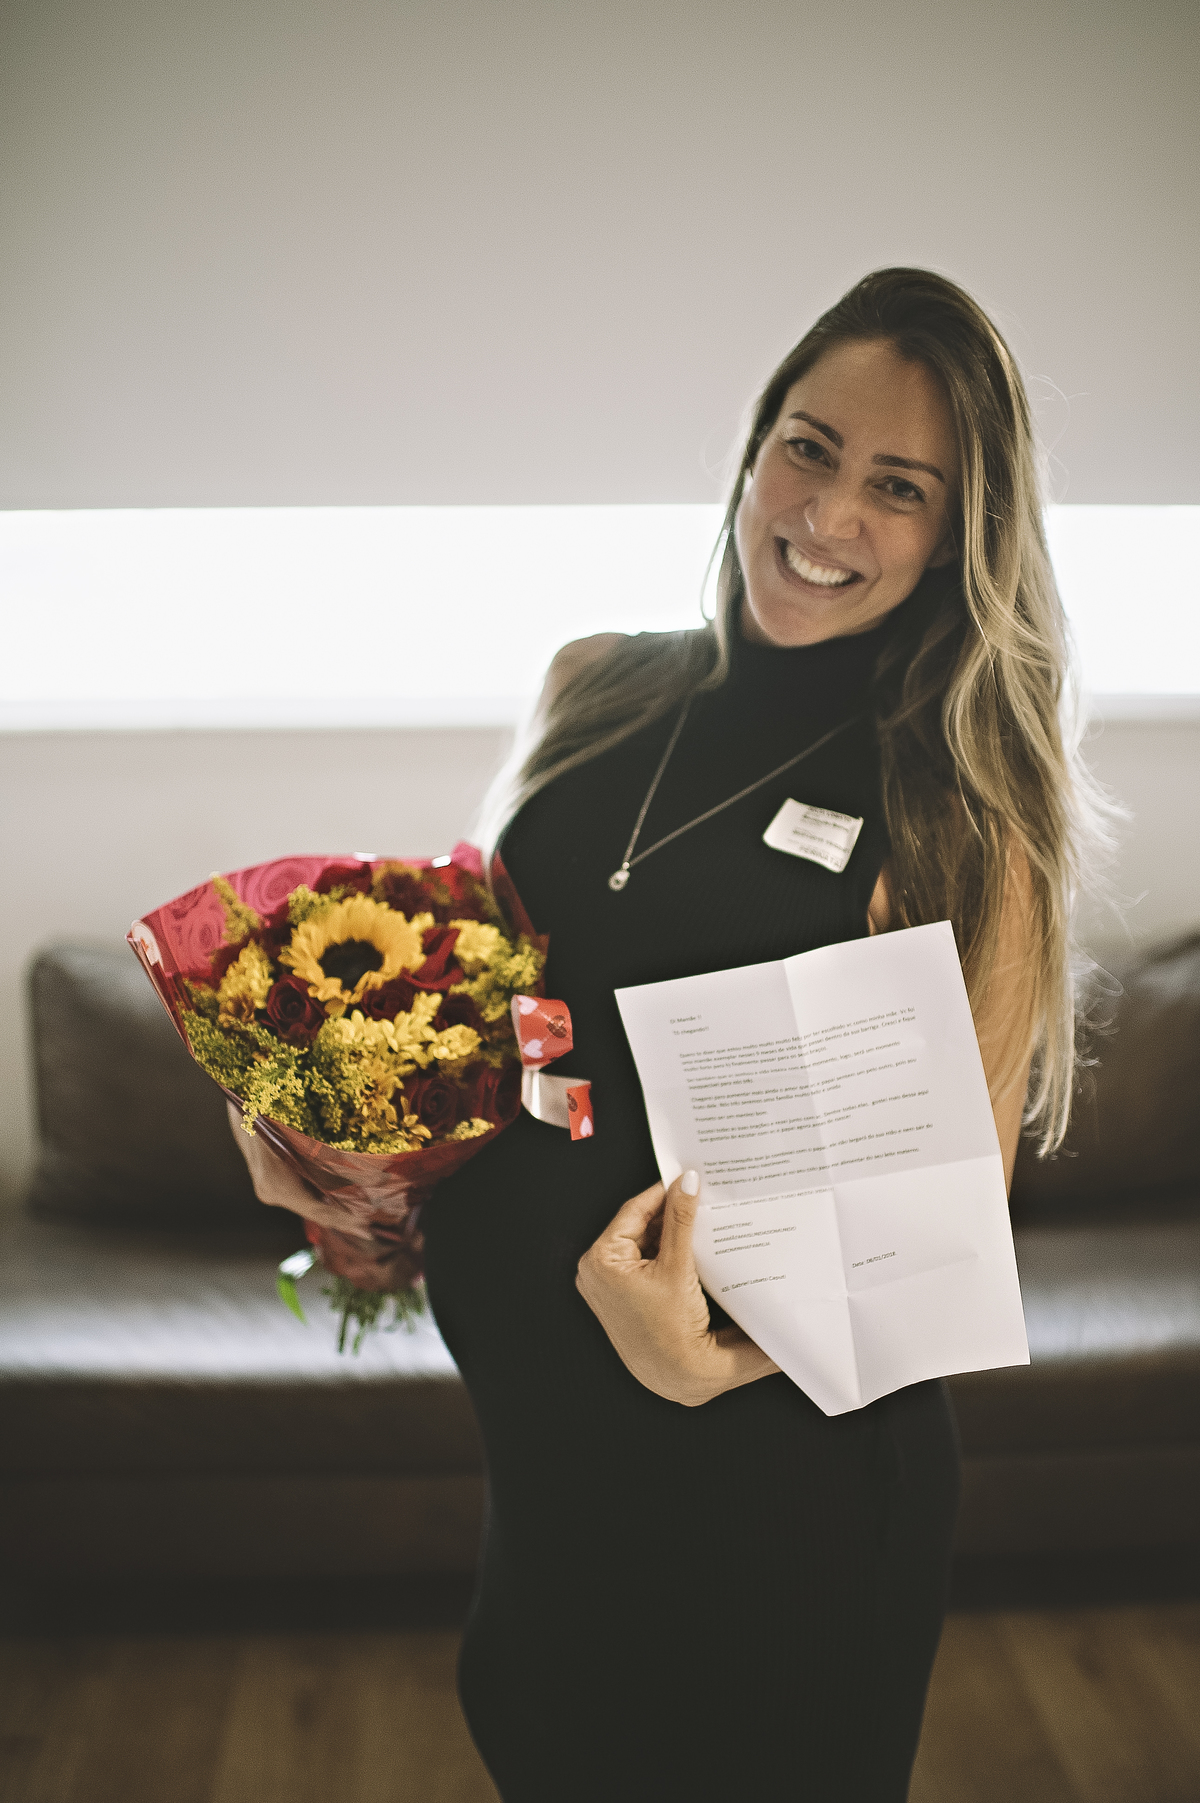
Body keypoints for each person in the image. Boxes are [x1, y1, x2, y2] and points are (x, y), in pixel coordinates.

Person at [236, 268, 1096, 1800]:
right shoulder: (598, 685)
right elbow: (491, 1005)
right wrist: (321, 1128)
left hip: (778, 1494)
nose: (827, 514)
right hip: (546, 1461)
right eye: (808, 447)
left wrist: (710, 1358)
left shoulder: (958, 813)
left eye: (898, 488)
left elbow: (928, 1249)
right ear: (754, 446)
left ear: (959, 535)